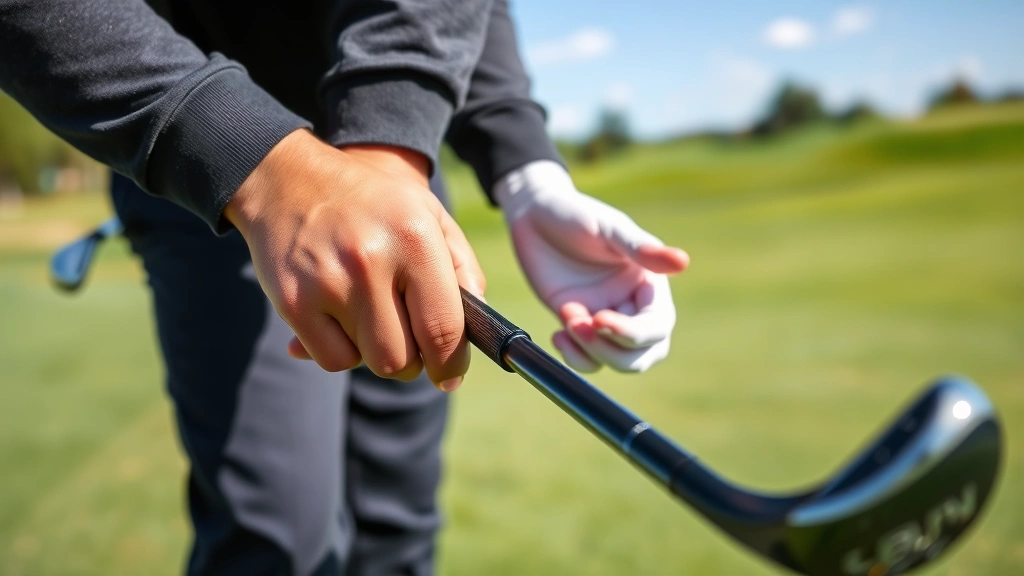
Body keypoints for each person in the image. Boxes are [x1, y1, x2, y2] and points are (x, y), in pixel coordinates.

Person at [1, 0, 689, 574]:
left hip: (402, 170)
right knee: (276, 544)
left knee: (399, 530)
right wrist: (243, 152)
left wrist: (525, 170)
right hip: (219, 179)